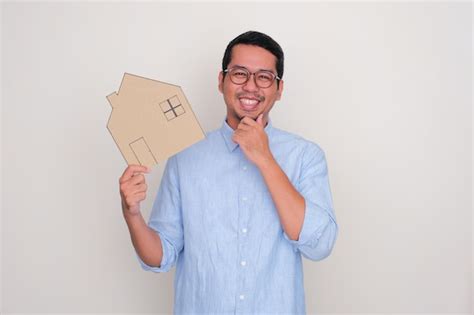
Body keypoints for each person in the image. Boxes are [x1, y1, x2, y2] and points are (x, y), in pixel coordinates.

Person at [119, 31, 338, 314]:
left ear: (279, 88)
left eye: (264, 77)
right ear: (221, 81)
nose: (251, 86)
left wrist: (265, 158)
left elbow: (319, 245)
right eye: (239, 74)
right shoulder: (185, 156)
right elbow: (160, 257)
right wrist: (132, 214)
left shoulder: (305, 156)